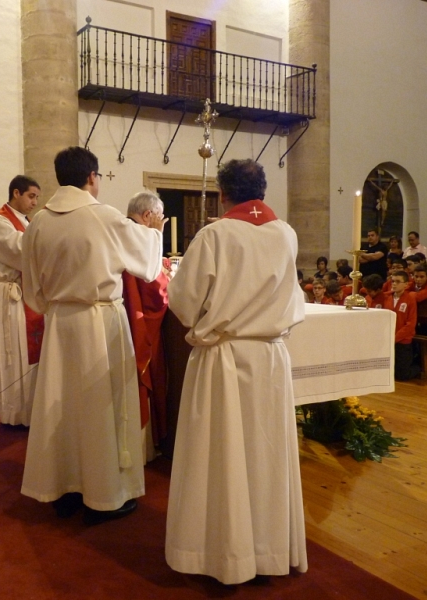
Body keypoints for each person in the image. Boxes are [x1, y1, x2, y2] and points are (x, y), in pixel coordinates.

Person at [165, 159, 307, 585]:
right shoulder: (286, 234)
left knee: (221, 456)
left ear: (224, 194)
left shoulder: (215, 235)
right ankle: (267, 549)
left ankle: (225, 554)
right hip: (269, 357)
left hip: (224, 359)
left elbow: (185, 303)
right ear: (262, 192)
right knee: (264, 456)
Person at [20, 147, 166, 524]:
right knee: (102, 409)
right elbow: (149, 266)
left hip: (60, 327)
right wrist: (154, 232)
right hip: (100, 324)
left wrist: (59, 306)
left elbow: (32, 290)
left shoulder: (38, 223)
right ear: (92, 177)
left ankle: (62, 489)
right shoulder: (104, 217)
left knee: (62, 409)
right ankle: (103, 496)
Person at [0, 175, 44, 426]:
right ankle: (14, 413)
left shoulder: (27, 223)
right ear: (16, 193)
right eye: (31, 196)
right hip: (11, 299)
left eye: (37, 197)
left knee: (28, 355)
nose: (35, 202)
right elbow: (20, 252)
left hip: (27, 296)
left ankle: (31, 411)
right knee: (12, 353)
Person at [122, 191, 170, 461]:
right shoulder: (141, 236)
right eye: (159, 216)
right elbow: (155, 292)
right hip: (137, 322)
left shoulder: (121, 229)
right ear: (149, 215)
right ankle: (142, 449)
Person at [383, 270, 420, 381]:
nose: (394, 284)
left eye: (398, 281)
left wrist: (395, 338)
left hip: (403, 340)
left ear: (406, 284)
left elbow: (410, 324)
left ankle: (419, 367)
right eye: (393, 281)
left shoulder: (410, 299)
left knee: (402, 375)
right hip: (388, 339)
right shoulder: (386, 298)